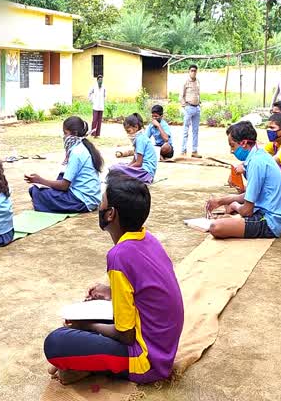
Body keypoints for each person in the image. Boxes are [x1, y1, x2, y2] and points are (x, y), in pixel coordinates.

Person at [43, 172, 184, 385]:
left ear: (110, 214)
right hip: (161, 347)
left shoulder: (119, 255)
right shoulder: (147, 238)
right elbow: (144, 291)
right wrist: (109, 292)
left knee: (55, 342)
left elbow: (125, 335)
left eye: (102, 201)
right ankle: (80, 361)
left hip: (146, 360)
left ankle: (85, 366)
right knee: (80, 323)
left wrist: (87, 326)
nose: (99, 206)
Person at [205, 121, 281, 239]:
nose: (231, 151)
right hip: (271, 215)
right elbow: (250, 195)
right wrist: (221, 201)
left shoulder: (256, 163)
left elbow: (247, 211)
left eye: (232, 145)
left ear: (244, 143)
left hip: (270, 222)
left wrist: (234, 205)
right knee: (225, 218)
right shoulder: (259, 156)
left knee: (216, 227)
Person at [26, 116, 103, 213]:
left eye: (65, 133)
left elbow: (64, 186)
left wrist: (40, 180)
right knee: (60, 176)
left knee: (36, 191)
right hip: (91, 197)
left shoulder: (76, 152)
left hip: (82, 201)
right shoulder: (83, 146)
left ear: (74, 133)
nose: (64, 136)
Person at [110, 114, 158, 184]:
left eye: (128, 131)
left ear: (136, 127)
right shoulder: (139, 138)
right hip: (145, 171)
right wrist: (127, 167)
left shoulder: (140, 139)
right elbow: (134, 160)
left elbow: (138, 163)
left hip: (145, 172)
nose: (128, 134)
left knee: (115, 168)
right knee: (119, 166)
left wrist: (125, 169)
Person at [179, 64, 201, 158]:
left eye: (195, 71)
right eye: (191, 70)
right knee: (185, 130)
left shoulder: (198, 81)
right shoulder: (185, 82)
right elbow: (181, 96)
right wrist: (185, 106)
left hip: (196, 108)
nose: (193, 72)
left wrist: (199, 103)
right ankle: (183, 150)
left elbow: (198, 93)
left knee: (195, 131)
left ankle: (194, 151)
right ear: (189, 72)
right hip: (189, 107)